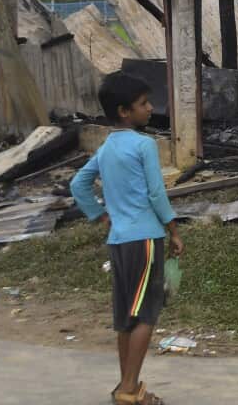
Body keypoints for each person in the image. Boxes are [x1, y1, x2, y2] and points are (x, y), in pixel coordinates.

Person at [70, 73, 184, 405]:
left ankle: (128, 385)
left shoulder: (106, 148)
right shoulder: (144, 145)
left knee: (126, 318)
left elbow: (79, 184)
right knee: (146, 315)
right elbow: (156, 193)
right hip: (146, 239)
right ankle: (129, 390)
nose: (150, 108)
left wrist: (100, 214)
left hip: (119, 241)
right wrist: (173, 230)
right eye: (143, 104)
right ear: (124, 111)